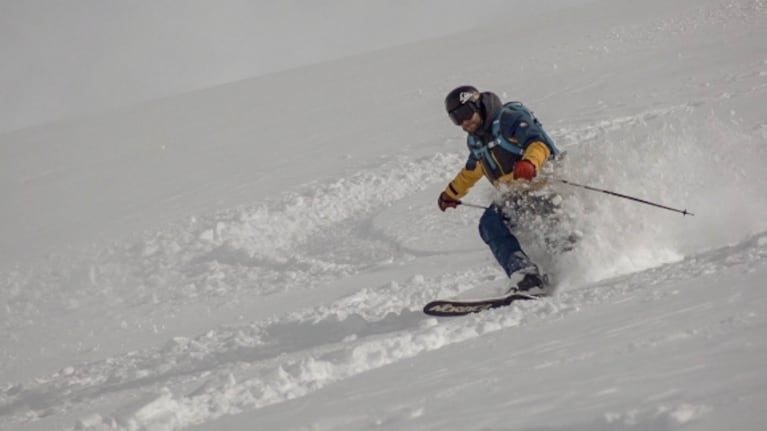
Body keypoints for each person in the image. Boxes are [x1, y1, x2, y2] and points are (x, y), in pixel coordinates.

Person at [437, 85, 560, 296]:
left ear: (477, 105)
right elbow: (472, 169)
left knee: (551, 232)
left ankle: (572, 265)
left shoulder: (509, 120)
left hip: (544, 186)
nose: (464, 122)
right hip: (515, 195)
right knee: (490, 223)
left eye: (466, 113)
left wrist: (529, 163)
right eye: (456, 118)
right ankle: (525, 276)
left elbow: (538, 143)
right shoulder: (476, 140)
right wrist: (452, 193)